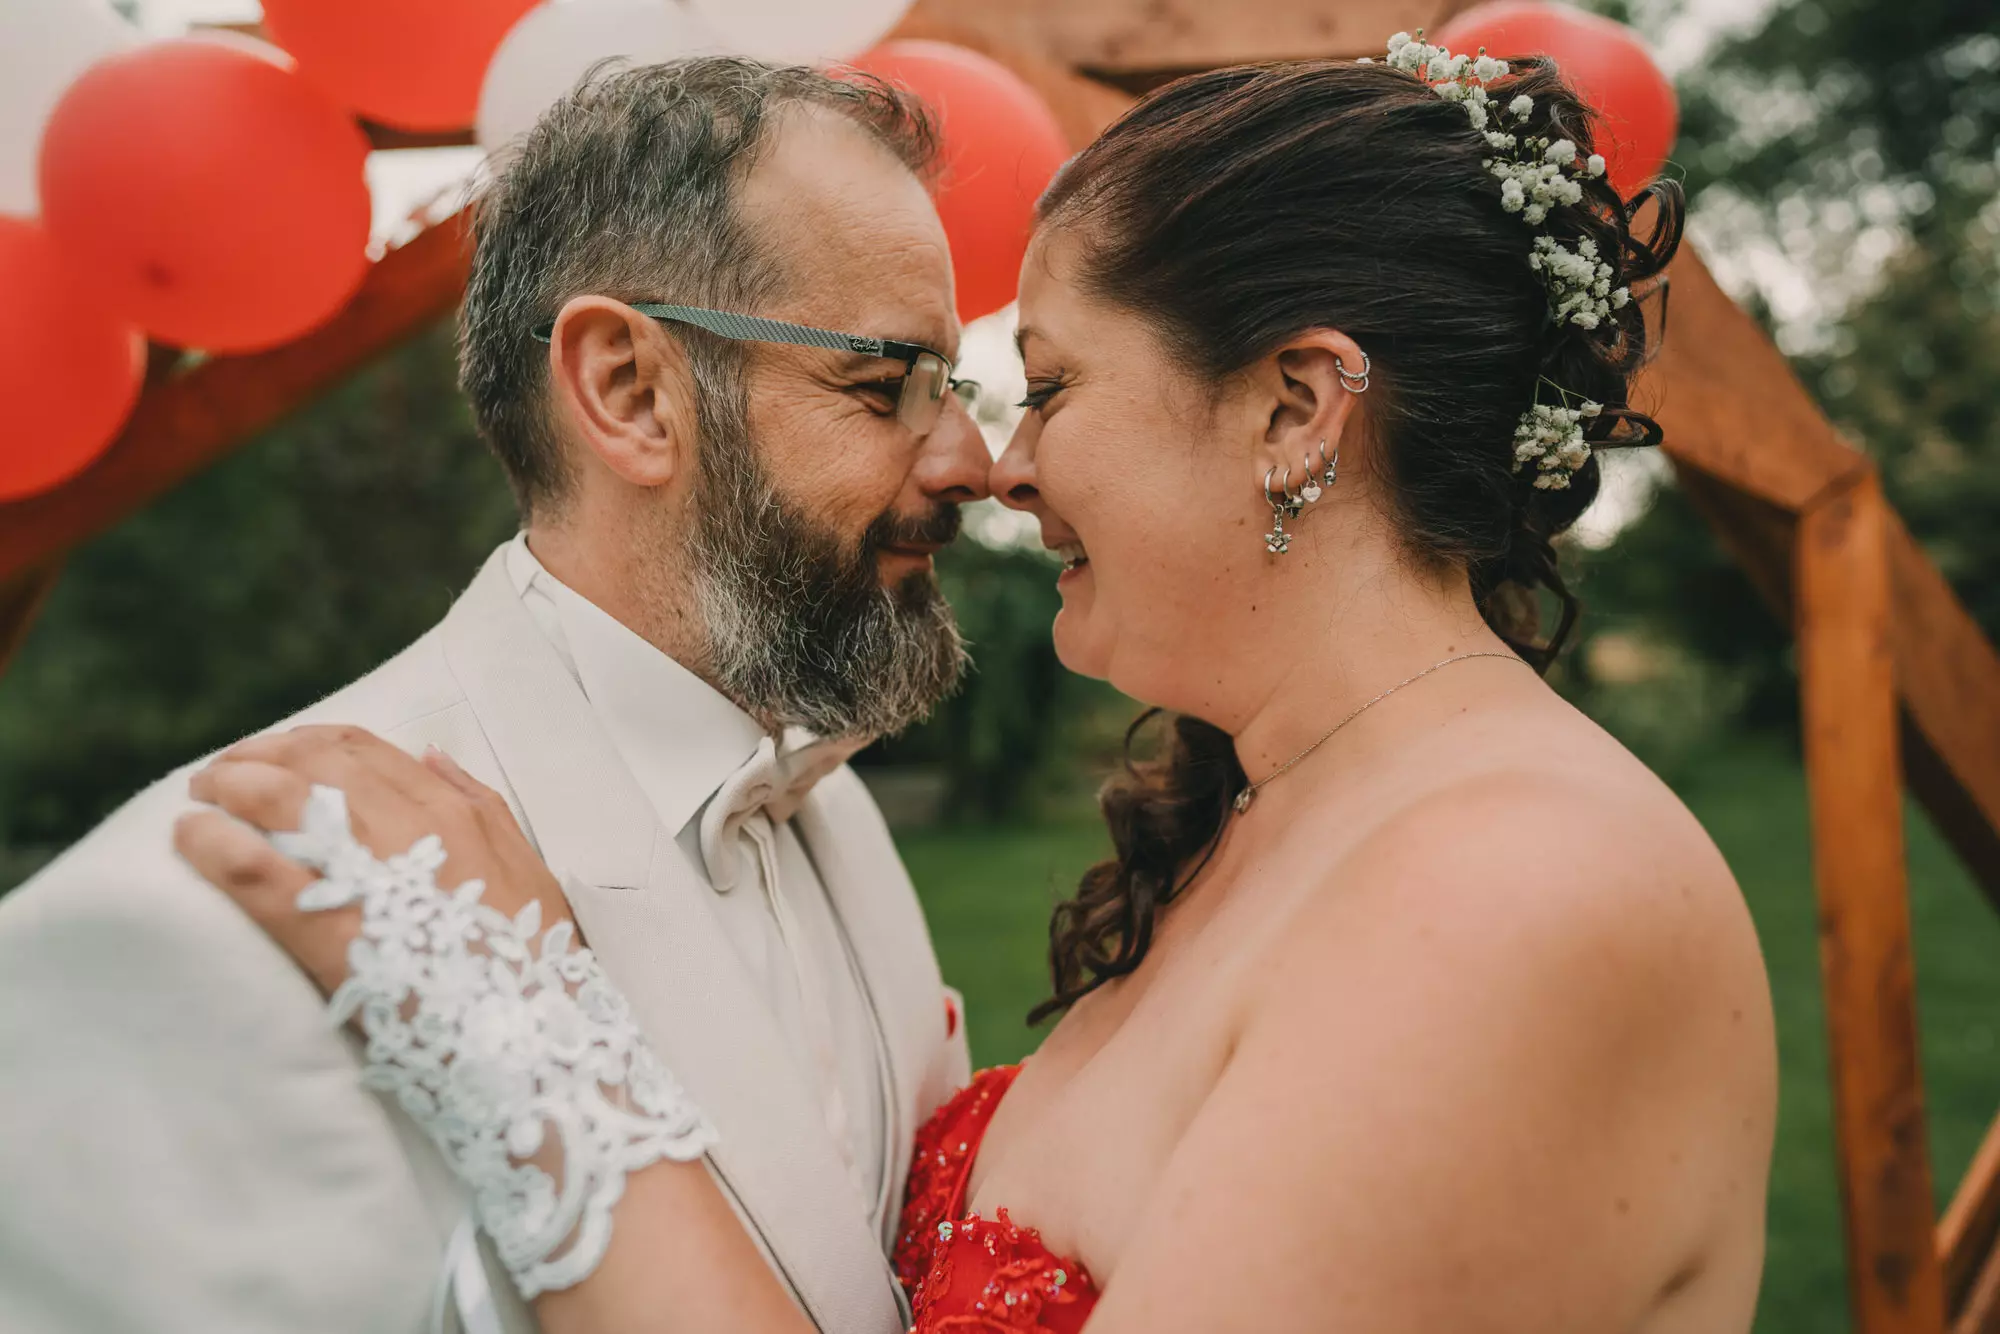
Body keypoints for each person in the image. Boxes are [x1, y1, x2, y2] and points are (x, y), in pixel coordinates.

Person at [186, 35, 1782, 1334]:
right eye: (909, 386)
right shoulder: (1286, 816)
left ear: (1296, 409)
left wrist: (542, 1057)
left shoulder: (1514, 893)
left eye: (1056, 384)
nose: (997, 467)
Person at [0, 60, 995, 1334]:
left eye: (950, 385)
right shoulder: (189, 927)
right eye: (884, 383)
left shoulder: (830, 814)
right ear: (631, 392)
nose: (968, 459)